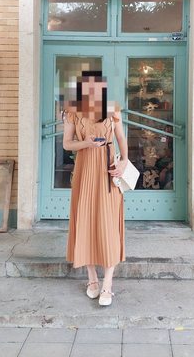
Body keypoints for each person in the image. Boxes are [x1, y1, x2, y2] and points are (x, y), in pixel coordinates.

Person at [62, 71, 128, 306]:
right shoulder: (72, 112)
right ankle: (92, 279)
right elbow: (67, 144)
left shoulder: (113, 109)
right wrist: (86, 143)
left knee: (108, 225)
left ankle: (108, 284)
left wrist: (123, 162)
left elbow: (121, 139)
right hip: (84, 172)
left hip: (108, 171)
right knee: (86, 222)